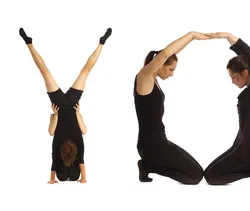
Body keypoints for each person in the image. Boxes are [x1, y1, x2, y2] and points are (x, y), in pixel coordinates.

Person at [19, 27, 112, 184]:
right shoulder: (77, 142)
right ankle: (102, 42)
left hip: (60, 107)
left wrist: (55, 116)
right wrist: (77, 114)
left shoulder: (58, 144)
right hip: (72, 107)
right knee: (84, 71)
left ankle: (29, 42)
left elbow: (51, 132)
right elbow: (84, 131)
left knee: (46, 73)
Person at [135, 31, 208, 184]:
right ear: (160, 65)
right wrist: (192, 35)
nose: (172, 74)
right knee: (195, 176)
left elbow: (169, 54)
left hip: (159, 142)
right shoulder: (145, 76)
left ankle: (149, 165)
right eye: (171, 69)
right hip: (151, 146)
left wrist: (188, 43)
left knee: (197, 173)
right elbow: (167, 52)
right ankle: (148, 166)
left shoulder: (153, 79)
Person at [202, 32, 250, 186]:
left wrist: (226, 35)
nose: (233, 82)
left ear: (245, 73)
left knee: (212, 177)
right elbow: (246, 58)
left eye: (234, 77)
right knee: (208, 172)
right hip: (241, 145)